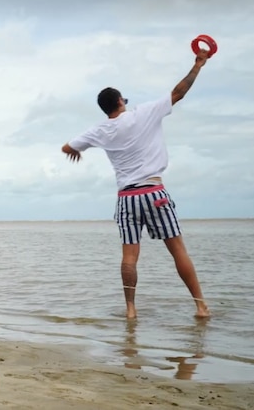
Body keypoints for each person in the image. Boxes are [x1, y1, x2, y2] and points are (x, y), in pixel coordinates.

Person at [60, 49, 212, 320]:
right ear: (120, 101)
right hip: (154, 193)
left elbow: (67, 147)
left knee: (129, 257)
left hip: (126, 198)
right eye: (124, 100)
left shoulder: (99, 130)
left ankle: (130, 310)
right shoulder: (144, 113)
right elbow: (178, 92)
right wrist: (198, 65)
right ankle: (200, 306)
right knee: (177, 250)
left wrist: (77, 151)